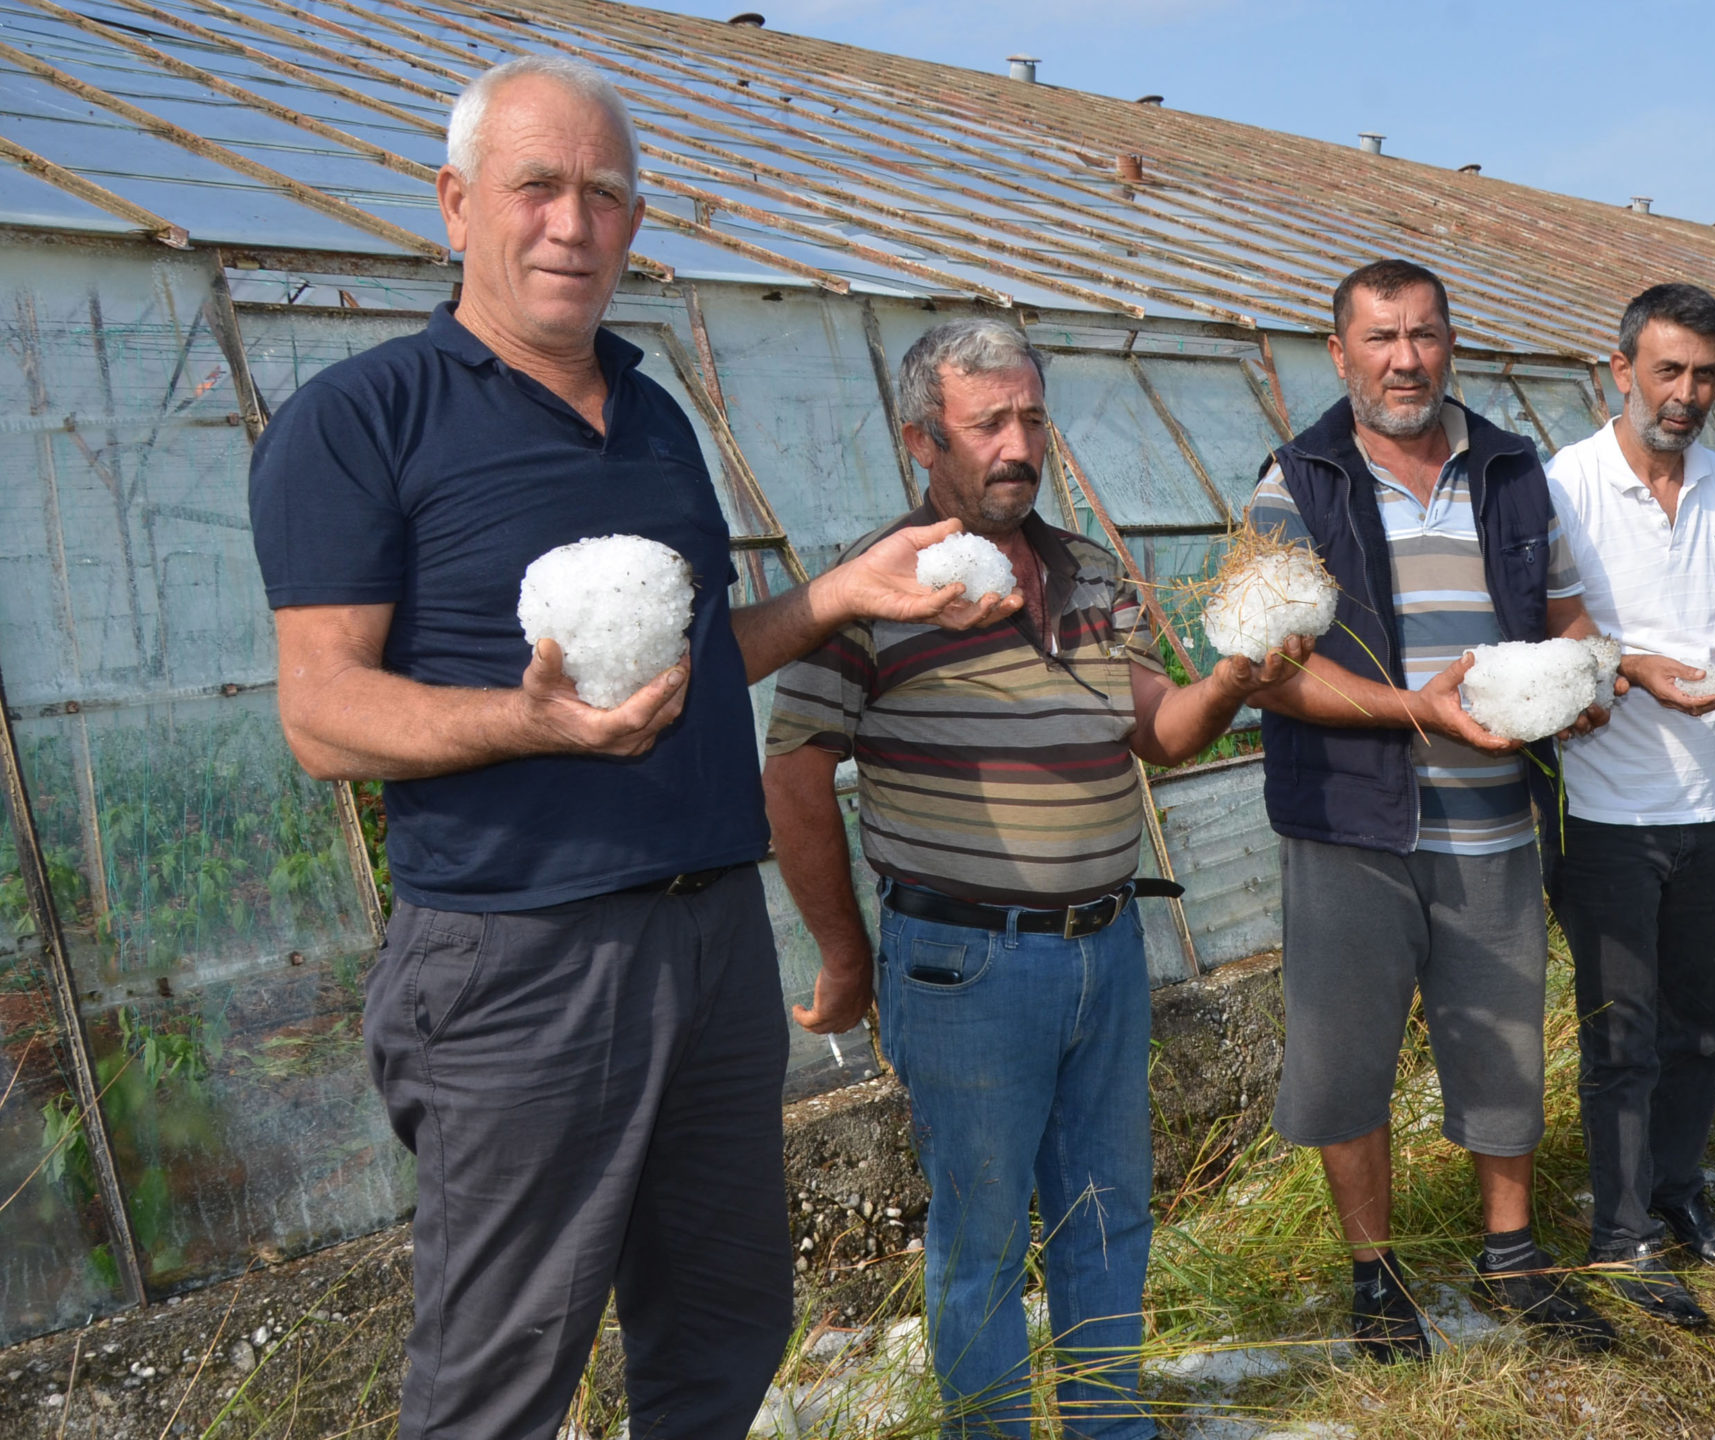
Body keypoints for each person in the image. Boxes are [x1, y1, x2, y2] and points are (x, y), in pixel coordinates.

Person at [249, 57, 1012, 1440]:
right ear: (454, 204)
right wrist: (526, 722)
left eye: (604, 194)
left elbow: (689, 669)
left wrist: (836, 596)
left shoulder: (653, 415)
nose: (571, 222)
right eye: (536, 186)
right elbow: (321, 712)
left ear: (635, 225)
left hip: (711, 934)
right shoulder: (363, 421)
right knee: (503, 1368)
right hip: (518, 956)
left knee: (724, 1322)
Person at [762, 317, 1302, 1439]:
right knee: (983, 1233)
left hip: (1105, 945)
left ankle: (1107, 1423)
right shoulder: (878, 588)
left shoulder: (1092, 574)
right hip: (964, 962)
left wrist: (1239, 675)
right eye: (988, 422)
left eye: (1033, 418)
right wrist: (847, 952)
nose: (1019, 444)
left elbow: (1160, 733)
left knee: (1107, 1210)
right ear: (924, 440)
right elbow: (796, 776)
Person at [1244, 259, 1618, 1362]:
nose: (1405, 358)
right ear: (1339, 353)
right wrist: (1415, 711)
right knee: (1345, 1052)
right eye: (1380, 338)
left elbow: (1560, 613)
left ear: (1451, 342)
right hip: (1351, 826)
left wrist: (1579, 682)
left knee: (1501, 1043)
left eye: (1424, 335)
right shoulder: (1295, 481)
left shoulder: (1510, 471)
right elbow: (1264, 669)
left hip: (1493, 818)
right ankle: (1375, 1276)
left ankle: (1512, 1256)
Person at [1544, 284, 1715, 1329]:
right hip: (1603, 815)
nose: (1687, 394)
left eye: (1707, 375)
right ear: (1621, 369)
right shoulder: (1566, 486)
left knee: (1699, 1028)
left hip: (1703, 803)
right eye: (1669, 370)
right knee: (1622, 1037)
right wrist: (1637, 670)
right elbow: (1554, 637)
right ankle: (1620, 1235)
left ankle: (1679, 1195)